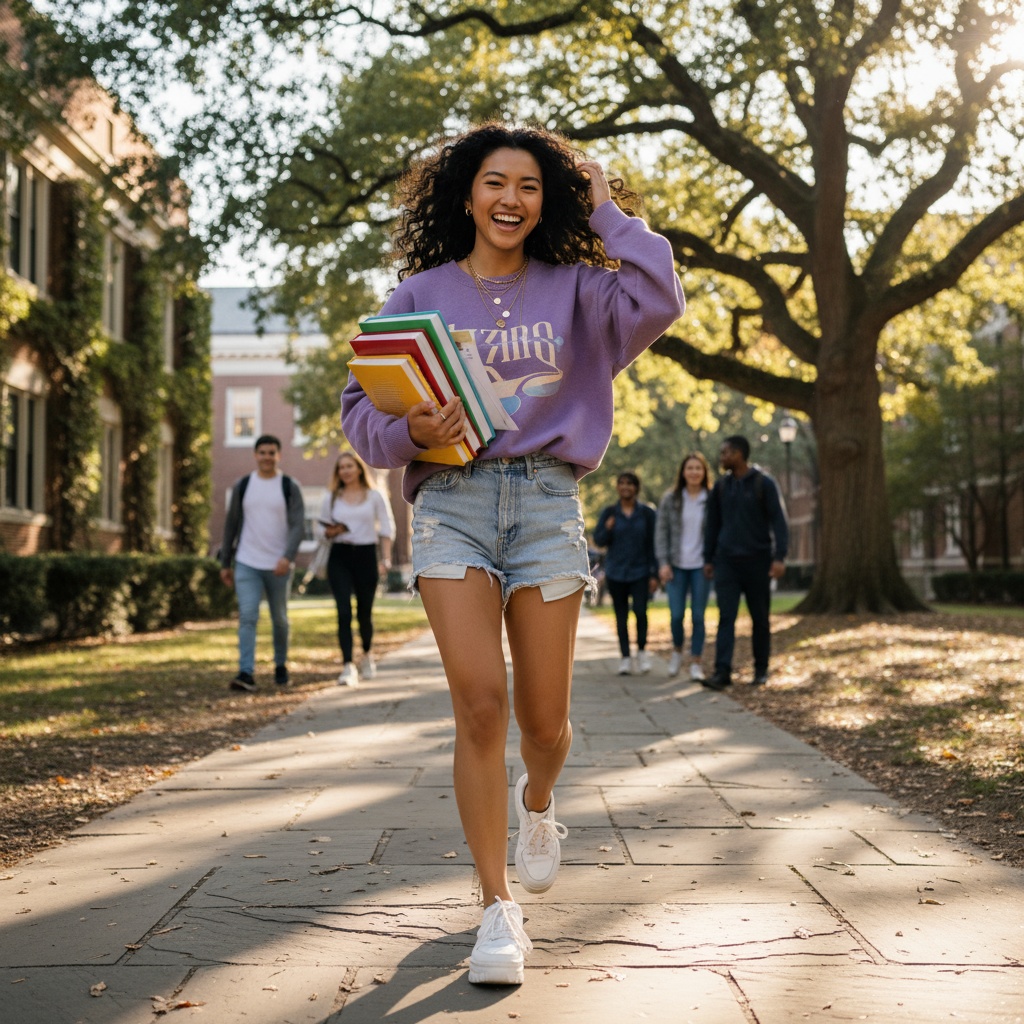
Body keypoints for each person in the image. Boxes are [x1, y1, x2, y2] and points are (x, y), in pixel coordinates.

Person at [341, 122, 684, 985]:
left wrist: (606, 209)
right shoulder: (415, 295)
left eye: (530, 186)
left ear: (548, 201)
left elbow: (661, 296)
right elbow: (359, 411)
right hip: (451, 503)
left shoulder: (582, 291)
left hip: (545, 503)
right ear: (467, 194)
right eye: (495, 182)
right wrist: (407, 428)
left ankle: (538, 803)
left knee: (544, 723)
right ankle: (496, 908)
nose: (510, 199)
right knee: (480, 704)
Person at [219, 434, 306, 692]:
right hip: (247, 562)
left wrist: (287, 557)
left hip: (278, 564)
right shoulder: (243, 485)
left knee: (279, 618)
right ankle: (246, 673)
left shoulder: (290, 486)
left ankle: (280, 665)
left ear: (278, 456)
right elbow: (230, 525)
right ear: (255, 455)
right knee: (248, 616)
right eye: (262, 452)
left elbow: (298, 526)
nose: (267, 457)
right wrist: (226, 563)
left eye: (272, 453)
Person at [702, 435, 789, 690]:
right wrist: (709, 558)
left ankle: (761, 670)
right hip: (727, 562)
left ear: (739, 454)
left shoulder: (764, 483)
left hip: (758, 561)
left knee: (760, 618)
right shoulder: (720, 487)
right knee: (725, 617)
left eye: (726, 452)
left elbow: (779, 522)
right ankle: (722, 672)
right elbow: (712, 526)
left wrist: (779, 557)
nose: (722, 458)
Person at [317, 449, 396, 687]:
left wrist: (386, 558)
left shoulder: (374, 496)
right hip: (339, 556)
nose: (345, 471)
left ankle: (368, 655)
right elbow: (319, 532)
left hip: (365, 555)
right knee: (343, 612)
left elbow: (387, 527)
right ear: (337, 472)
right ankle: (347, 666)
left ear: (359, 469)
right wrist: (329, 532)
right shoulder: (331, 497)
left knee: (364, 612)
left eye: (349, 466)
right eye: (341, 467)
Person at [593, 471, 659, 675]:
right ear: (617, 487)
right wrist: (608, 528)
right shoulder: (610, 512)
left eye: (629, 484)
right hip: (616, 571)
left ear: (636, 488)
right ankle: (625, 658)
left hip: (640, 571)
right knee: (620, 616)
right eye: (621, 483)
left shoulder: (647, 513)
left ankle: (641, 652)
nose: (625, 487)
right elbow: (599, 540)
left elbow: (654, 545)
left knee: (640, 611)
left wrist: (654, 574)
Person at [656, 451, 713, 681]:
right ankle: (677, 651)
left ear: (704, 472)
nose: (694, 472)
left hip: (701, 566)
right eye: (690, 468)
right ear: (683, 472)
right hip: (676, 565)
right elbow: (661, 533)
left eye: (698, 468)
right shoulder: (671, 499)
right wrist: (663, 563)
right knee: (676, 615)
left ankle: (696, 662)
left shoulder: (711, 498)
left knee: (698, 616)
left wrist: (713, 560)